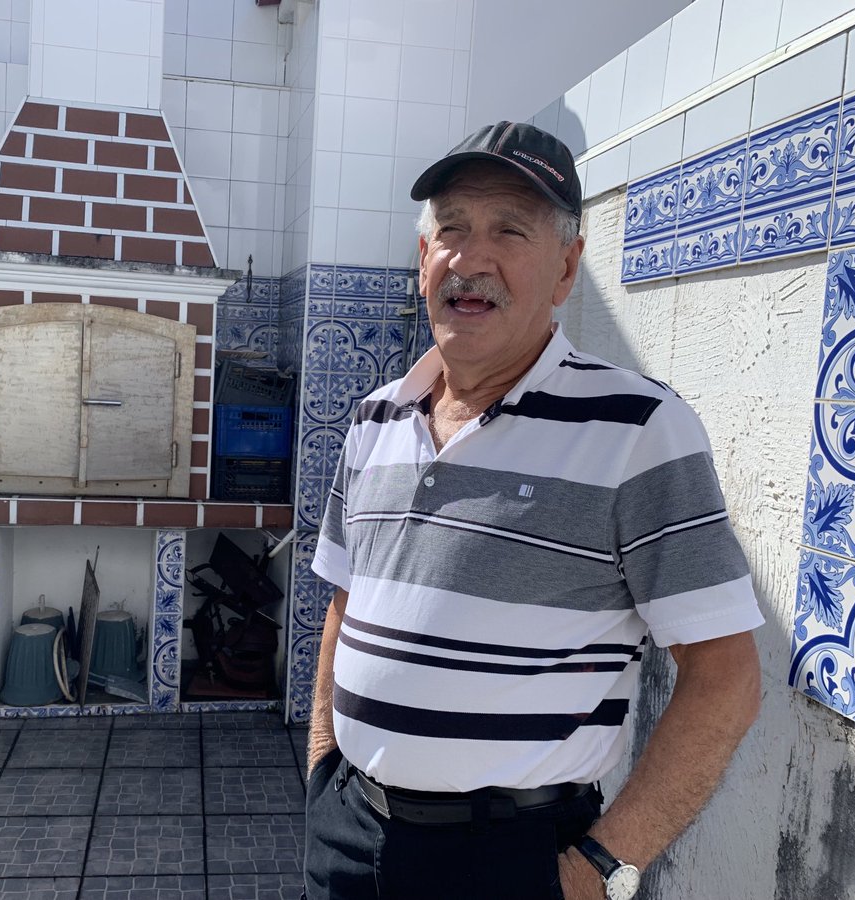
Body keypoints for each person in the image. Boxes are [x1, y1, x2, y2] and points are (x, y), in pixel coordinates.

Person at [303, 122, 763, 900]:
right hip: (350, 836)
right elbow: (346, 602)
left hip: (510, 862)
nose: (470, 258)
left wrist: (600, 870)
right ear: (423, 261)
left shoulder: (639, 430)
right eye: (451, 229)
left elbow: (727, 677)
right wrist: (322, 763)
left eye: (509, 231)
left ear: (565, 269)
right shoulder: (374, 419)